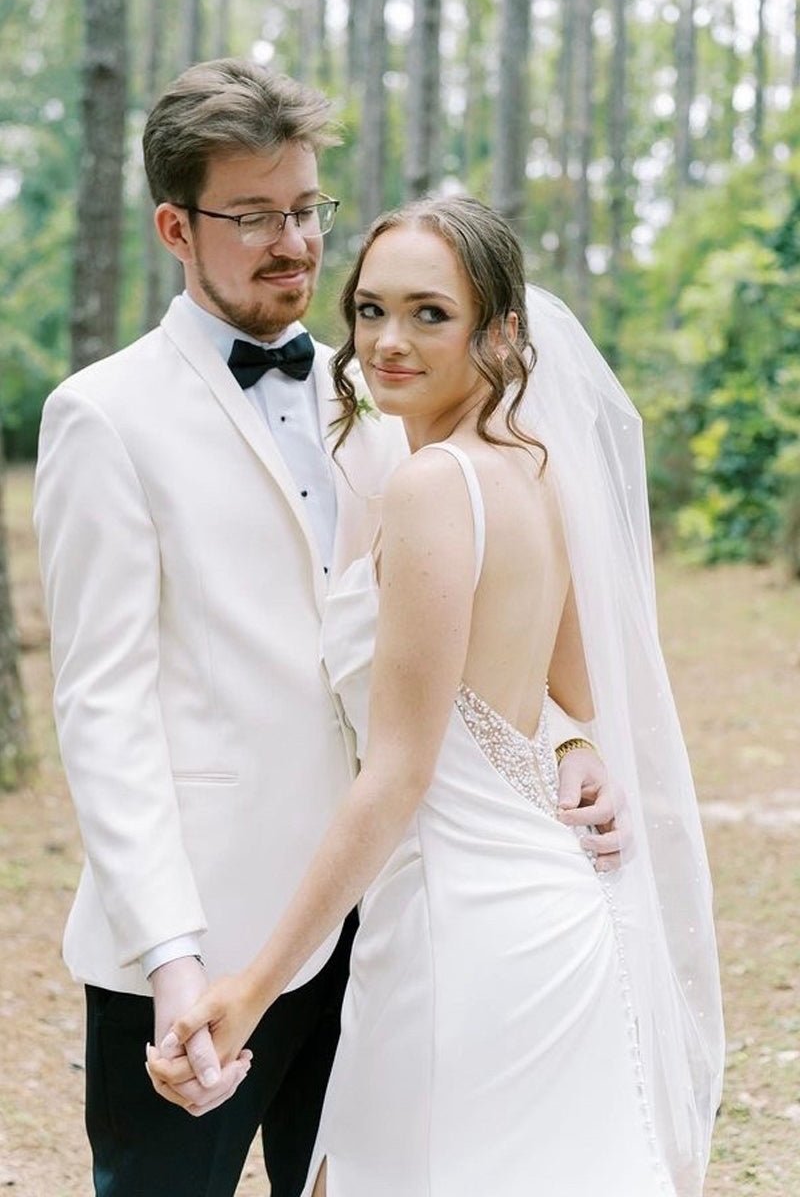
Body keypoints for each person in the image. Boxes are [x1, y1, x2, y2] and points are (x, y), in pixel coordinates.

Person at [33, 62, 618, 1197]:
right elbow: (102, 709)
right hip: (204, 938)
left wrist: (569, 738)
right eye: (254, 216)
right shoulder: (103, 416)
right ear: (175, 227)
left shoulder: (387, 395)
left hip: (392, 923)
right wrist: (172, 954)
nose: (294, 243)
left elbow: (463, 631)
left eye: (307, 209)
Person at [148, 196, 724, 1197]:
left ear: (498, 331)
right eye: (370, 310)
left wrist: (251, 987)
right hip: (557, 914)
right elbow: (573, 692)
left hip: (456, 929)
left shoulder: (431, 488)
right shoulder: (535, 470)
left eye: (429, 314)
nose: (387, 341)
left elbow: (397, 775)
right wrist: (567, 748)